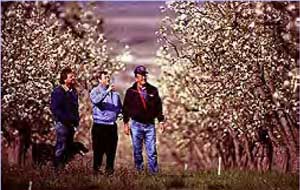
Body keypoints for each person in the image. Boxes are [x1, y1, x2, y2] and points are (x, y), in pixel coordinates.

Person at [123, 65, 165, 174]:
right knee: (137, 152)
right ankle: (139, 173)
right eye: (141, 76)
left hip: (150, 125)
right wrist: (126, 123)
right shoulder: (130, 92)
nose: (144, 78)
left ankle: (153, 175)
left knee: (152, 152)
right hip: (136, 125)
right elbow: (125, 108)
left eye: (145, 75)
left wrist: (161, 121)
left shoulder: (153, 90)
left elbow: (158, 107)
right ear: (136, 78)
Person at [90, 71, 122, 175]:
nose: (108, 79)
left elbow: (119, 108)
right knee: (98, 151)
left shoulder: (116, 95)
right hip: (99, 126)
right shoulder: (95, 91)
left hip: (112, 127)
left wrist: (120, 114)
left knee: (111, 152)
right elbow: (96, 101)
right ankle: (96, 172)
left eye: (108, 77)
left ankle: (109, 173)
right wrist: (107, 91)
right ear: (99, 80)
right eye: (105, 78)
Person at [50, 67, 79, 170]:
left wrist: (76, 121)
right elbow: (55, 109)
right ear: (64, 79)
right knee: (61, 147)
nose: (73, 78)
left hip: (71, 125)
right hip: (62, 124)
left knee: (68, 147)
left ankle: (63, 168)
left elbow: (76, 108)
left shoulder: (73, 91)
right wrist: (65, 120)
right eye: (71, 77)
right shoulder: (58, 91)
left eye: (73, 76)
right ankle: (57, 169)